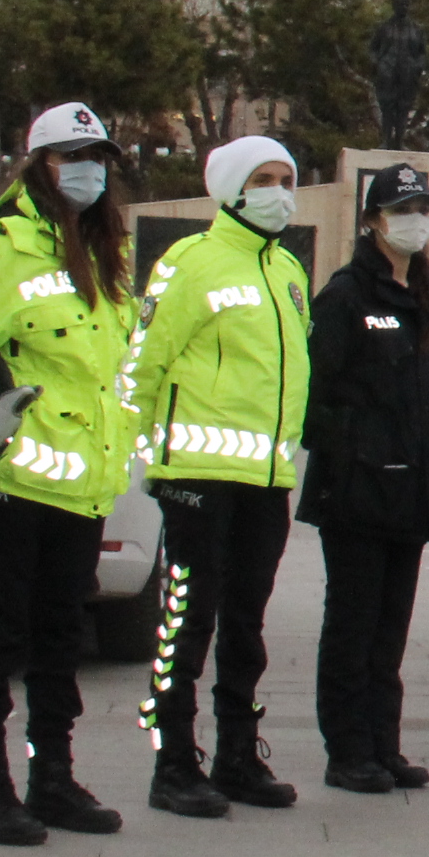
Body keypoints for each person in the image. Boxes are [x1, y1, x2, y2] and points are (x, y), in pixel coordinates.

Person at [0, 102, 138, 841]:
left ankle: (52, 775)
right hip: (9, 488)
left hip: (80, 489)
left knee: (61, 641)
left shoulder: (101, 253)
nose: (89, 171)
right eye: (73, 157)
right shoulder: (0, 252)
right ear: (39, 165)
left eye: (99, 158)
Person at [130, 135, 311, 818]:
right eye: (264, 178)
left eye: (287, 177)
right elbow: (143, 361)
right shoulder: (189, 262)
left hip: (265, 480)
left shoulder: (289, 271)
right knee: (188, 619)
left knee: (247, 624)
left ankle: (239, 751)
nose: (278, 191)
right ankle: (173, 760)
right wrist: (139, 450)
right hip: (198, 477)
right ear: (232, 189)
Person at [301, 164, 429, 793]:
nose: (416, 219)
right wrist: (362, 453)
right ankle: (347, 749)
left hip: (412, 490)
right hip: (359, 491)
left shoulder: (425, 296)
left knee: (391, 628)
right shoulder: (346, 296)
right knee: (353, 622)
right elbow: (318, 395)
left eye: (423, 207)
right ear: (372, 220)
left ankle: (383, 744)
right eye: (402, 208)